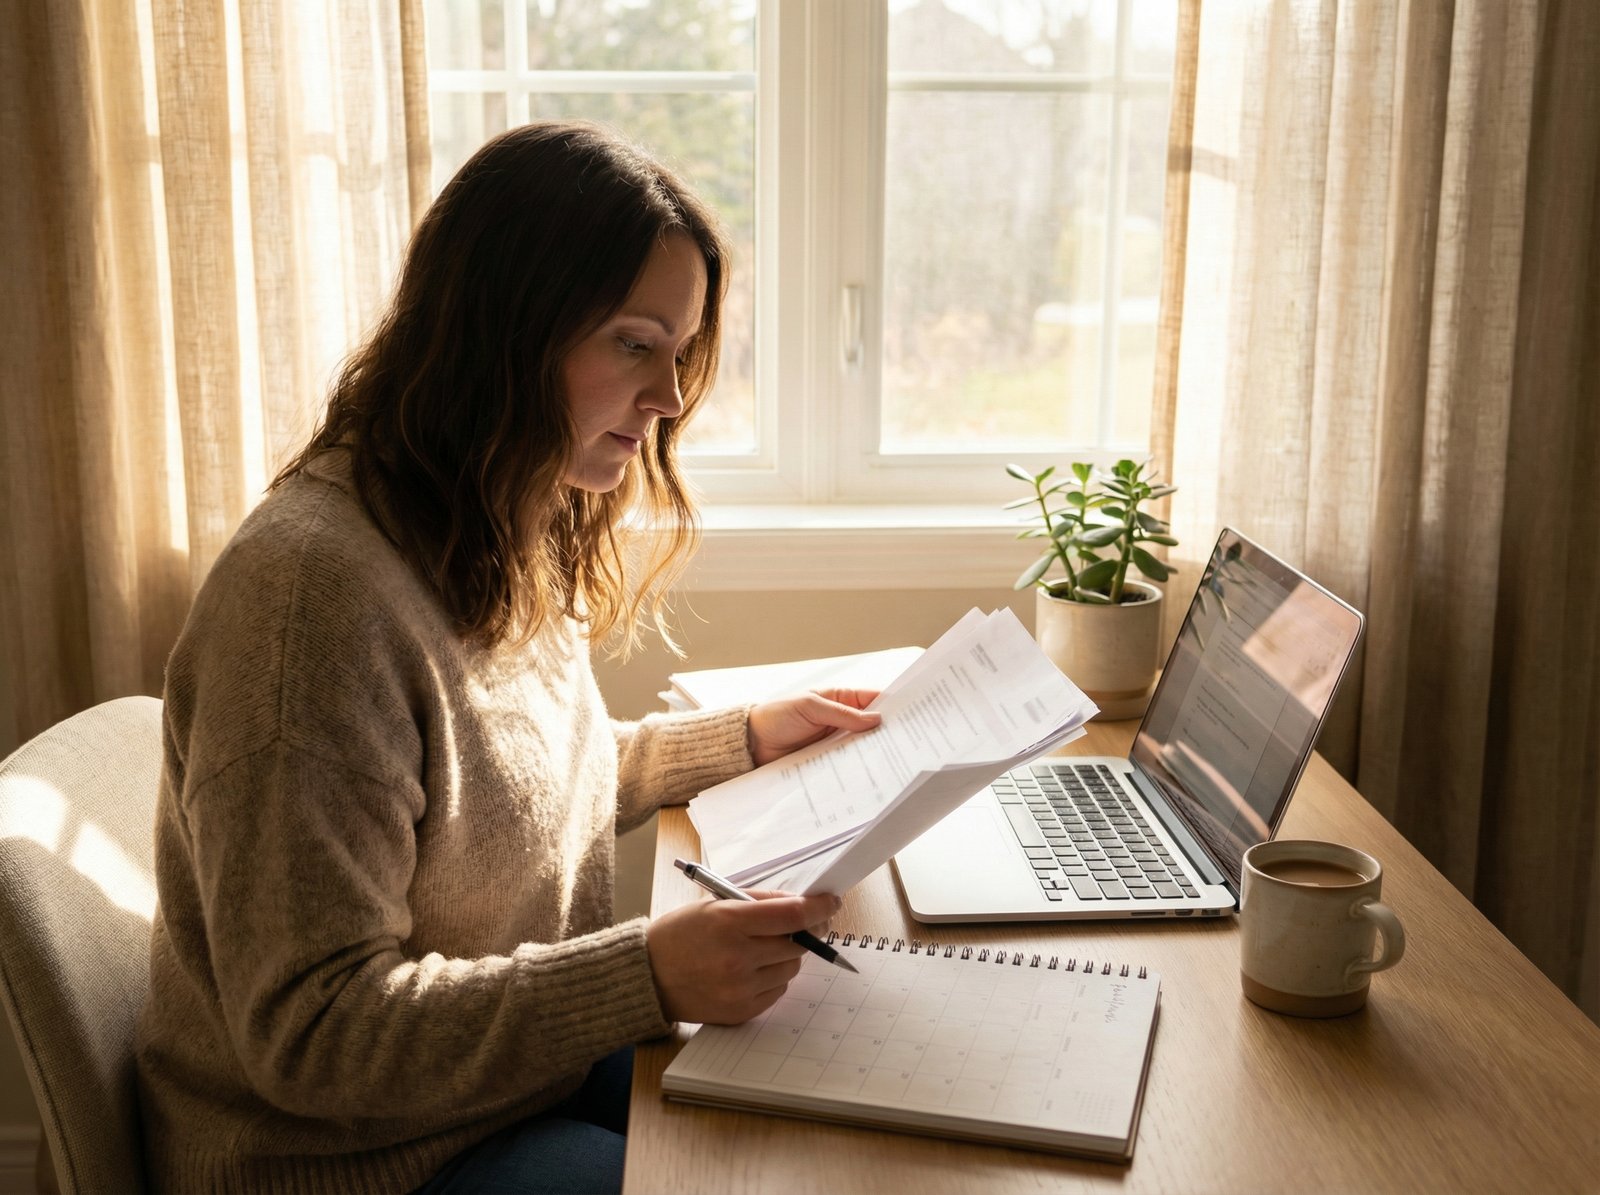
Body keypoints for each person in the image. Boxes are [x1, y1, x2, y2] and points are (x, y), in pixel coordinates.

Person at [134, 121, 881, 1195]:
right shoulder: (313, 605)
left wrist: (745, 738)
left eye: (680, 352)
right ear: (505, 332)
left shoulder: (487, 508)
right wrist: (645, 970)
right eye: (634, 344)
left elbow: (502, 793)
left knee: (814, 1087)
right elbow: (312, 1030)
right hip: (346, 1161)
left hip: (490, 1092)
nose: (669, 400)